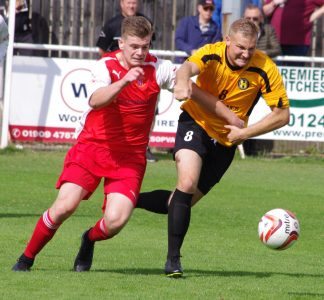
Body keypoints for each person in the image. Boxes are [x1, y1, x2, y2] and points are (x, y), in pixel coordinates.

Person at [12, 16, 240, 272]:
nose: (141, 52)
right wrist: (124, 82)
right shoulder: (105, 66)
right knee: (65, 206)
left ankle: (88, 239)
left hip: (129, 158)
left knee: (115, 221)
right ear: (121, 43)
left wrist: (227, 114)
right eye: (134, 46)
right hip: (92, 148)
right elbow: (96, 101)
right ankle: (26, 258)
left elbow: (192, 89)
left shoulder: (159, 68)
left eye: (145, 46)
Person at [136, 18, 290, 278]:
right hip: (195, 123)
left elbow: (282, 115)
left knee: (177, 203)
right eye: (241, 47)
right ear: (228, 40)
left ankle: (130, 199)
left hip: (227, 142)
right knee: (186, 183)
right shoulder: (212, 53)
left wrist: (245, 133)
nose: (246, 53)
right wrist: (184, 82)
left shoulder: (265, 66)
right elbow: (186, 68)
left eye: (251, 48)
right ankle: (173, 261)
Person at [96, 0, 158, 162]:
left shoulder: (146, 22)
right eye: (128, 2)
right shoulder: (111, 24)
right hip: (117, 76)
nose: (132, 6)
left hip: (140, 76)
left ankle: (145, 146)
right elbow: (102, 49)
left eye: (134, 3)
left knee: (149, 110)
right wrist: (115, 72)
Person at [262, 0, 324, 65]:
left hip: (298, 43)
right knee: (272, 72)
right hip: (274, 43)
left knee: (294, 72)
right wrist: (274, 3)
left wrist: (315, 15)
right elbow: (264, 12)